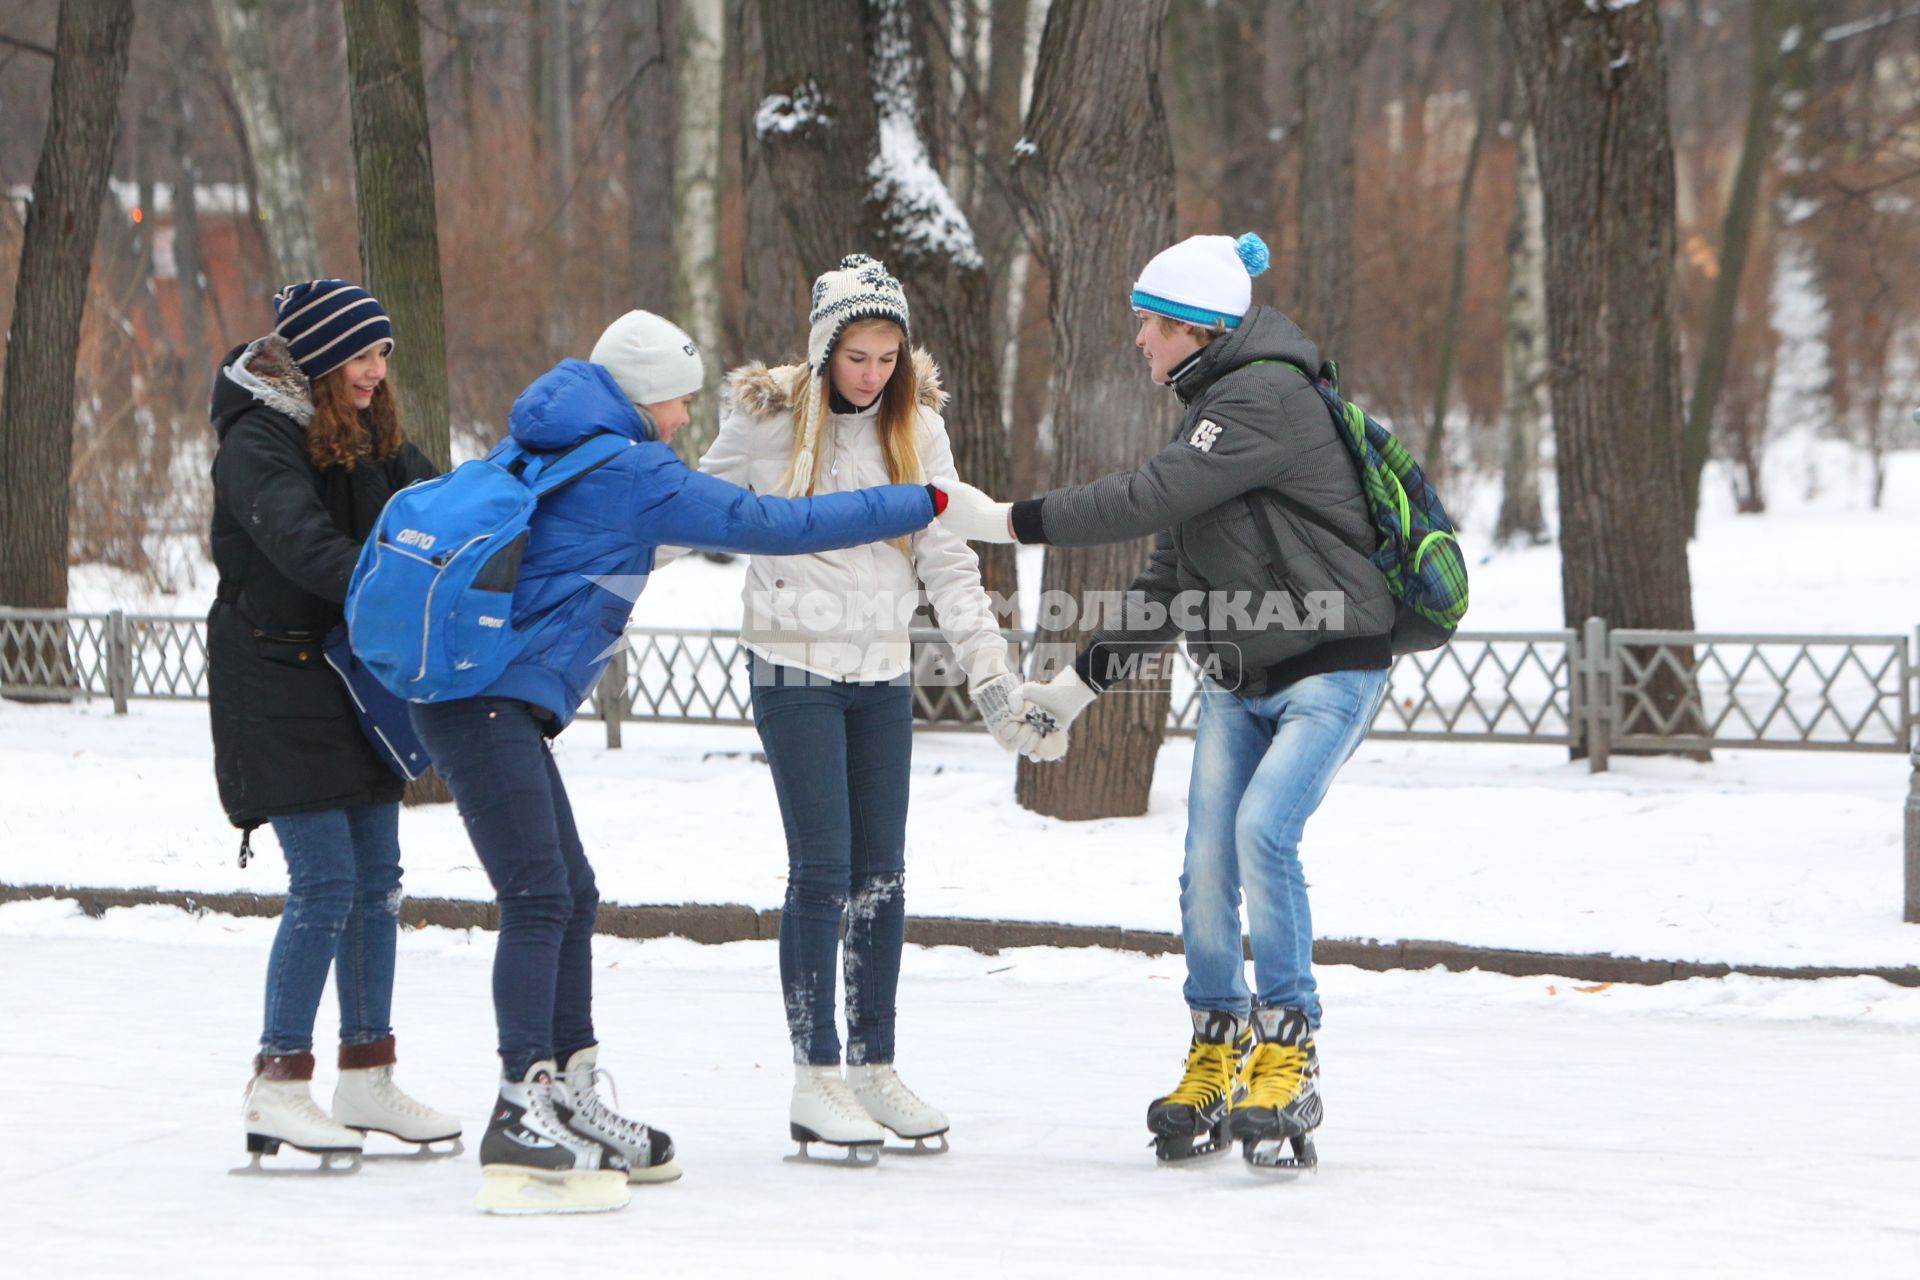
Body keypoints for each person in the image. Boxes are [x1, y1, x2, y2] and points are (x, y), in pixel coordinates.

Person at [404, 309, 954, 1213]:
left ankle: (570, 1093)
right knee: (542, 897)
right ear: (643, 395)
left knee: (568, 891)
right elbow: (766, 523)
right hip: (485, 698)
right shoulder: (627, 465)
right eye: (677, 403)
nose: (683, 421)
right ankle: (521, 1109)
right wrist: (920, 499)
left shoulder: (555, 439)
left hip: (485, 694)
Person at [937, 233, 1394, 1171]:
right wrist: (1068, 695)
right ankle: (1218, 1046)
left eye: (1148, 325)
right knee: (1203, 860)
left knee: (1263, 833)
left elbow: (1143, 498)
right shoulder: (1209, 417)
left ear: (1195, 329)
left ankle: (1289, 1050)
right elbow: (1168, 586)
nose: (1139, 343)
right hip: (1239, 678)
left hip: (1331, 666)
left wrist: (1005, 521)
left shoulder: (1261, 396)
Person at [676, 253, 1037, 1163]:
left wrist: (991, 676)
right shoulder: (765, 423)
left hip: (879, 671)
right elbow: (689, 513)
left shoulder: (918, 428)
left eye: (888, 357)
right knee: (825, 870)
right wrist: (585, 581)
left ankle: (874, 1062)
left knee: (884, 870)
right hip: (791, 667)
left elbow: (950, 559)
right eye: (857, 357)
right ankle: (815, 1075)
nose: (872, 375)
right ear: (824, 348)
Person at [208, 279, 461, 1172]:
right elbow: (306, 548)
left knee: (379, 880)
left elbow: (437, 506)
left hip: (353, 681)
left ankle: (367, 1070)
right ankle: (278, 1082)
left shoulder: (371, 429)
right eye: (359, 355)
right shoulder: (257, 441)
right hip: (273, 679)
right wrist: (402, 581)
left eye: (382, 353)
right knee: (326, 881)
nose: (374, 371)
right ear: (317, 360)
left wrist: (500, 513)